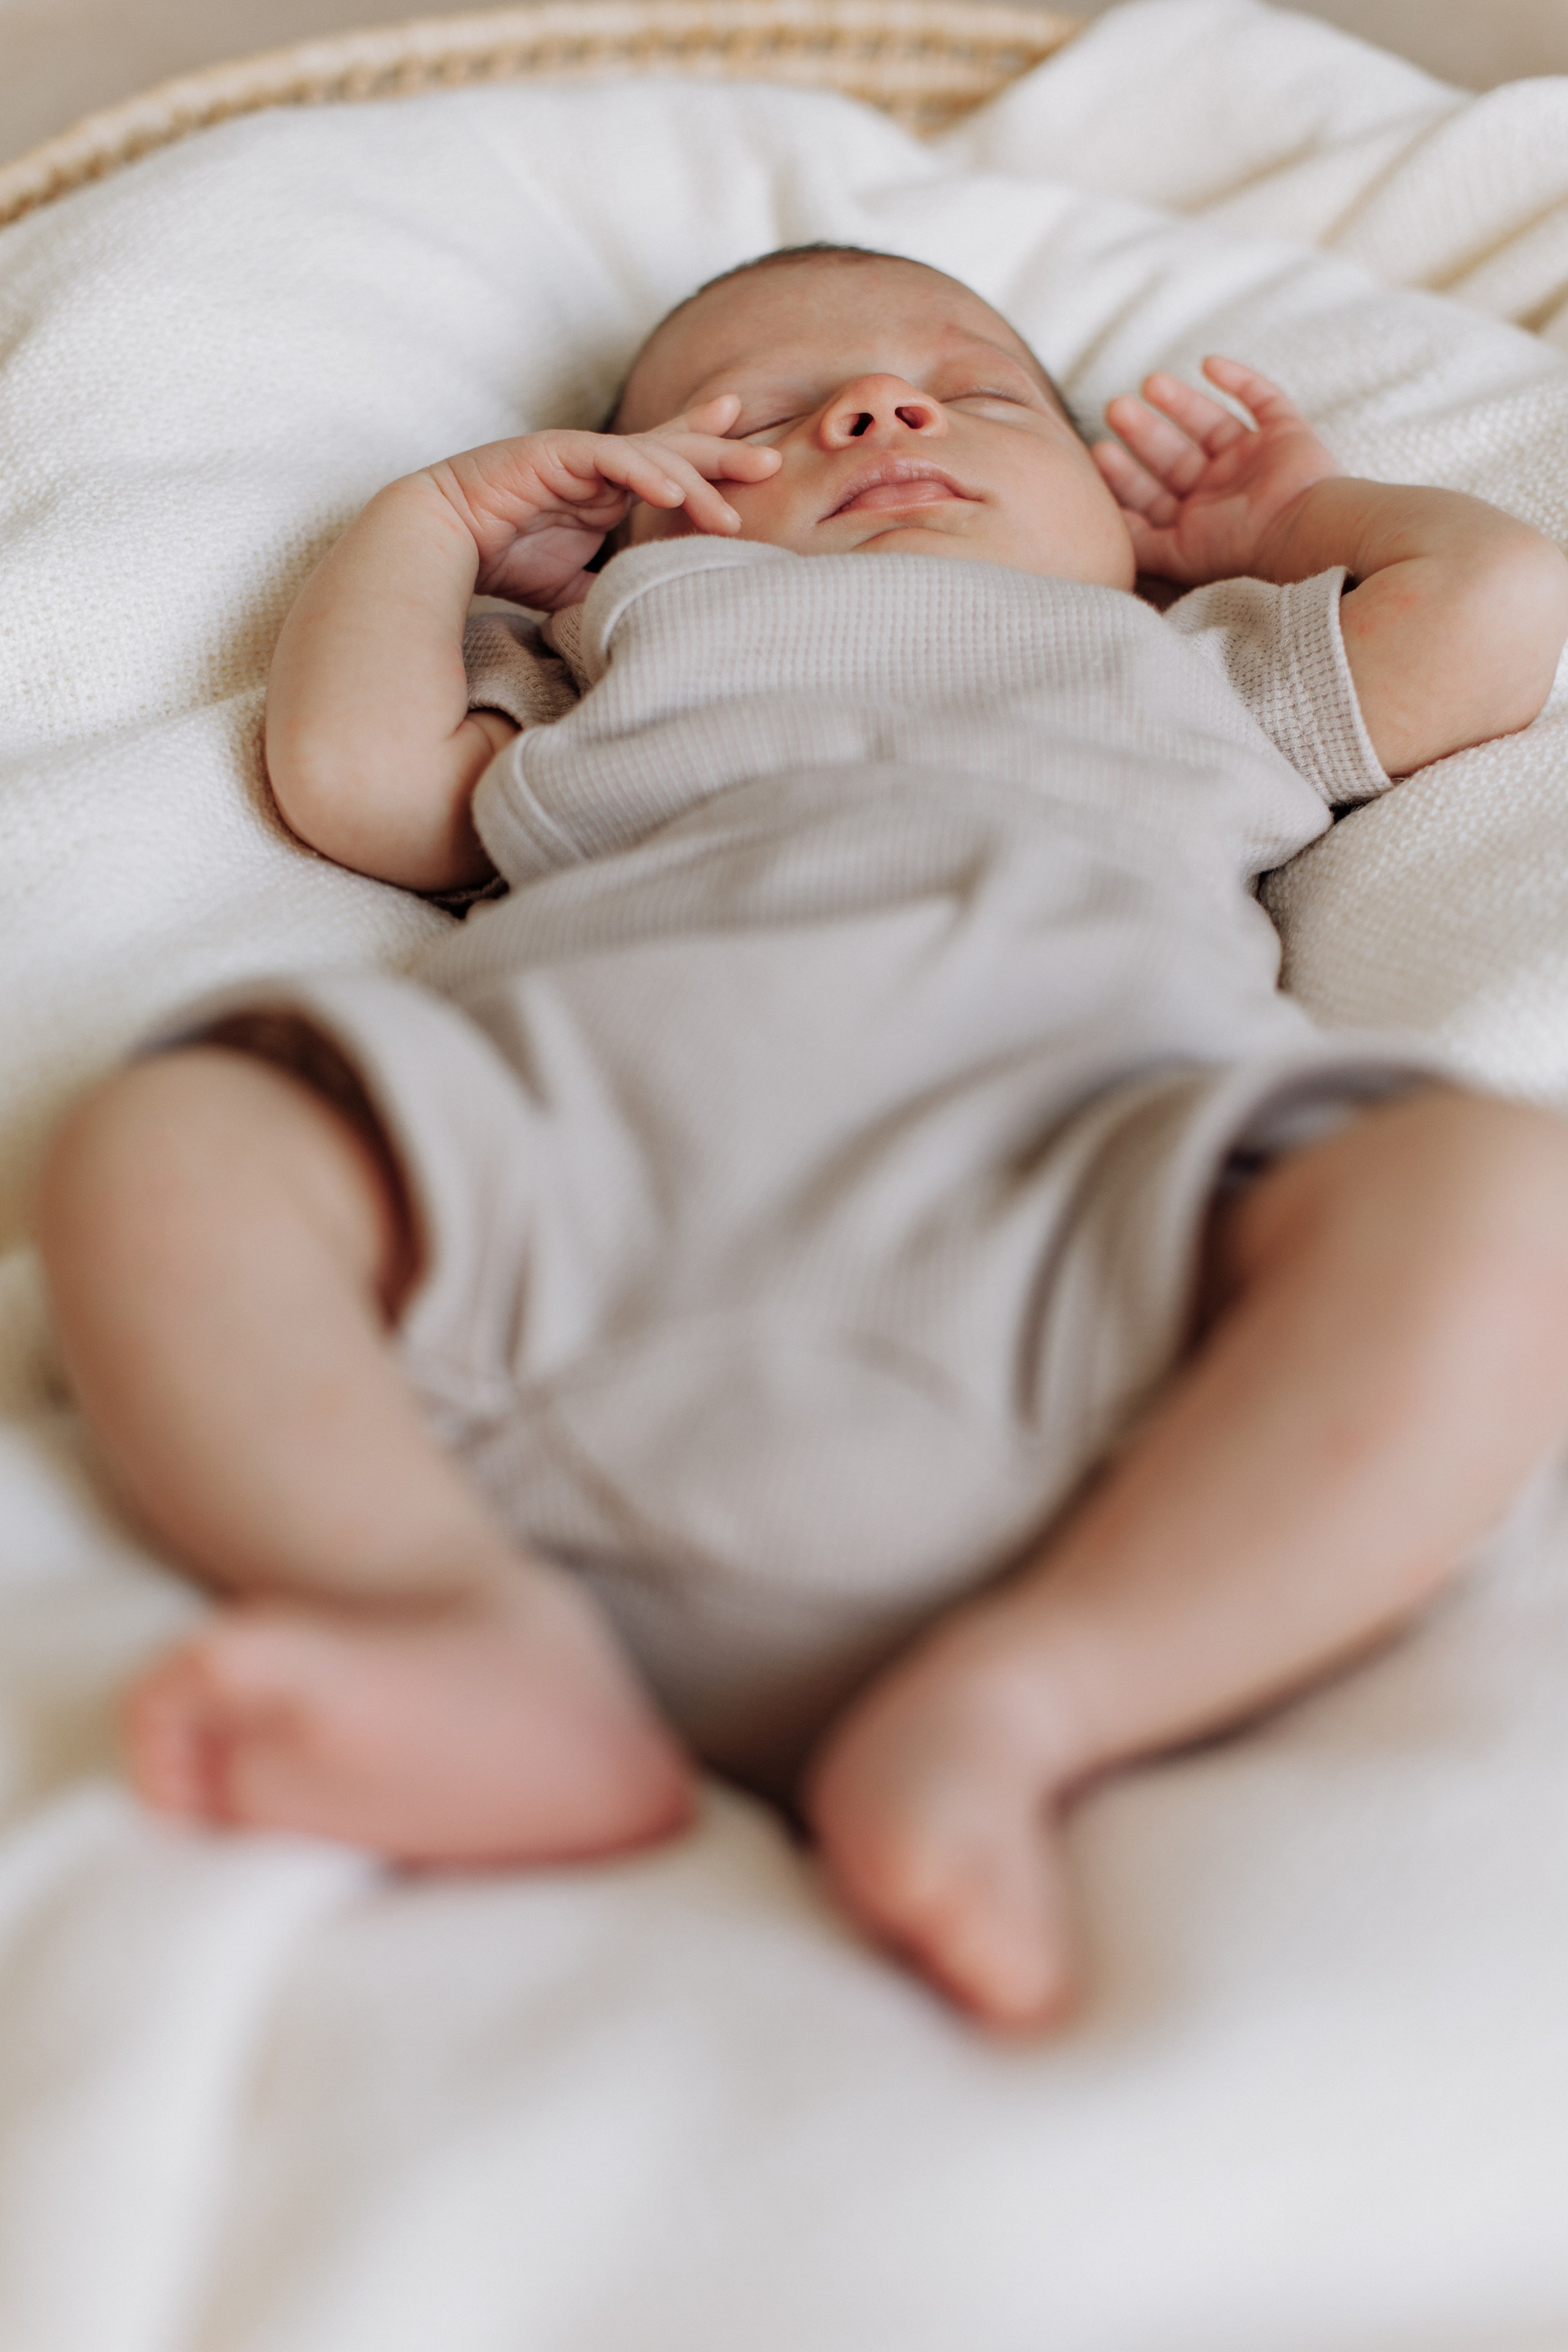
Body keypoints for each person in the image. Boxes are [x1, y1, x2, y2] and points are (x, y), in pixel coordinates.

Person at [36, 245, 1568, 2030]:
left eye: (978, 395)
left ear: (1116, 526)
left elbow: (1496, 606)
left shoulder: (1182, 665)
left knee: (1495, 1192)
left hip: (1087, 1234)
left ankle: (1038, 1696)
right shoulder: (612, 666)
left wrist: (1289, 522)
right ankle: (445, 1611)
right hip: (562, 1232)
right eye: (748, 422)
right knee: (179, 1132)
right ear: (626, 539)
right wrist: (436, 523)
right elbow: (356, 775)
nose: (877, 410)